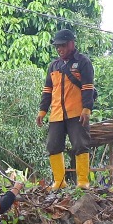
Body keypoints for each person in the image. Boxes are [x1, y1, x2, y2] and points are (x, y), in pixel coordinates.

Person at [37, 28, 95, 188]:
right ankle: (59, 182)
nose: (59, 49)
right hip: (56, 113)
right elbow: (48, 90)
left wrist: (86, 109)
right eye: (57, 46)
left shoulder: (83, 62)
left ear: (71, 44)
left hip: (77, 112)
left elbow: (88, 87)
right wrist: (42, 110)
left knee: (80, 144)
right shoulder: (53, 66)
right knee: (53, 145)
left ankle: (83, 181)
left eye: (62, 45)